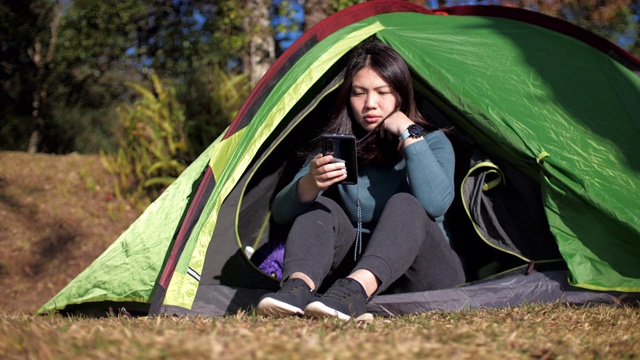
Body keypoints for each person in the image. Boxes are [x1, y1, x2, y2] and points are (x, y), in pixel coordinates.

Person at [256, 39, 465, 320]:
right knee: (320, 208)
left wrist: (409, 132)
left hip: (426, 273)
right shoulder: (339, 147)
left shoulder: (432, 141)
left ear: (401, 95)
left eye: (383, 92)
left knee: (405, 203)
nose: (370, 104)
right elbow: (281, 213)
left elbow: (435, 204)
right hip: (350, 273)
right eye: (359, 93)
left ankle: (354, 292)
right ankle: (296, 290)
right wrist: (311, 183)